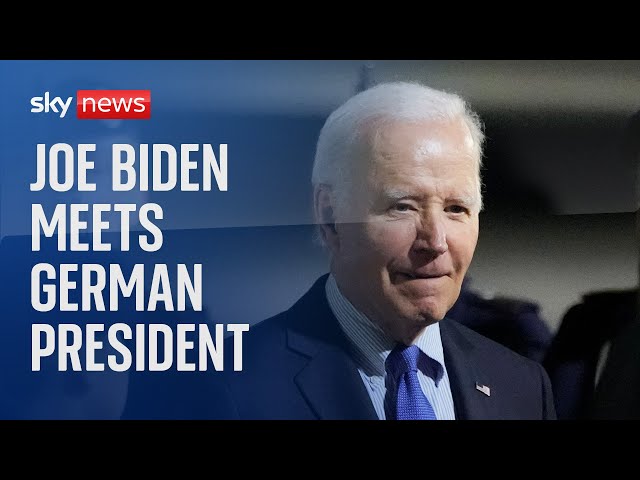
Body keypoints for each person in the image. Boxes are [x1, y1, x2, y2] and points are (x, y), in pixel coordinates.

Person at [210, 81, 558, 420]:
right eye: (403, 207)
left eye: (456, 209)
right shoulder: (226, 384)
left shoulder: (522, 386)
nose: (435, 242)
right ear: (330, 217)